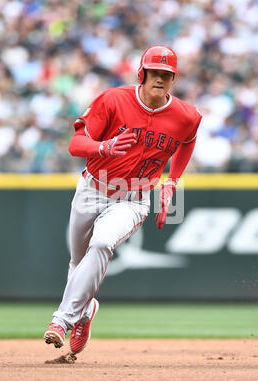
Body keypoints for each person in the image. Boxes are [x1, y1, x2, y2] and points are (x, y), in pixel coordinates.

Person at [44, 45, 202, 354]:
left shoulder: (186, 115)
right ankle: (86, 311)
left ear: (173, 80)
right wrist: (103, 147)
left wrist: (172, 182)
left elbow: (188, 141)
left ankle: (61, 321)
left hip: (134, 197)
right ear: (142, 74)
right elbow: (76, 144)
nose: (160, 79)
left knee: (103, 243)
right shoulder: (113, 100)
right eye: (155, 72)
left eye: (166, 75)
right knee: (77, 263)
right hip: (93, 188)